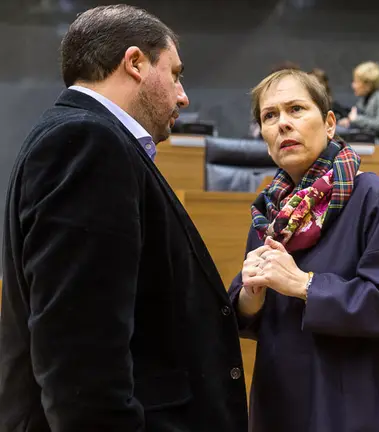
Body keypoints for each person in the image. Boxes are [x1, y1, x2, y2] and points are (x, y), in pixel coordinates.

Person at [0, 5, 248, 431]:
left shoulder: (82, 136)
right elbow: (80, 355)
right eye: (174, 73)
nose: (183, 94)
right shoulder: (86, 141)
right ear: (135, 63)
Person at [230, 68, 379, 432]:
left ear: (330, 123)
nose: (283, 125)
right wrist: (249, 295)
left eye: (296, 109)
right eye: (269, 116)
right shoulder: (271, 210)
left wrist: (304, 284)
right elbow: (244, 312)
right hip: (278, 399)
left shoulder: (371, 195)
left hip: (344, 402)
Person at [337, 61, 379, 145]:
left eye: (356, 82)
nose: (353, 85)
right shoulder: (362, 102)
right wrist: (348, 122)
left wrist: (356, 120)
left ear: (367, 84)